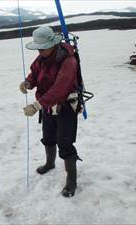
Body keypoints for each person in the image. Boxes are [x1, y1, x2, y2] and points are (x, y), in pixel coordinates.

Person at [19, 26, 82, 197]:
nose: (40, 50)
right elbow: (35, 73)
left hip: (66, 107)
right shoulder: (41, 58)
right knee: (48, 138)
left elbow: (60, 89)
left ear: (53, 44)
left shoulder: (68, 61)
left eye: (43, 47)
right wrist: (28, 83)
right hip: (47, 106)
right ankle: (50, 163)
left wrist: (36, 106)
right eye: (38, 47)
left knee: (65, 144)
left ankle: (71, 180)